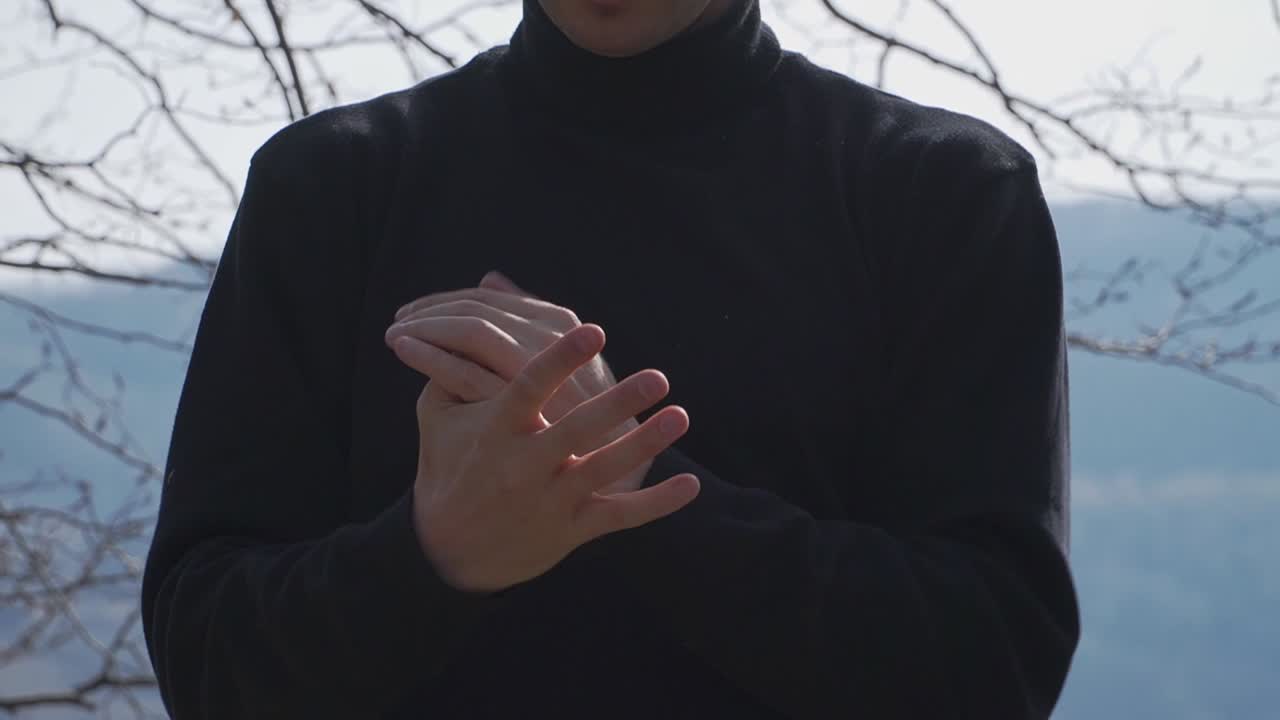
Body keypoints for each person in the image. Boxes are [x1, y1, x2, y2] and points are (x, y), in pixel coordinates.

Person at [140, 0, 1081, 717]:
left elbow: (993, 662)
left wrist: (628, 485)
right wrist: (430, 558)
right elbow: (207, 654)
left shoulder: (941, 194)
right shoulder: (333, 187)